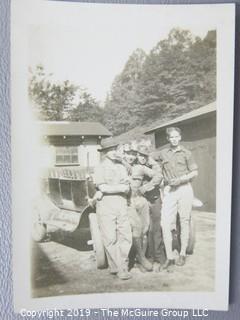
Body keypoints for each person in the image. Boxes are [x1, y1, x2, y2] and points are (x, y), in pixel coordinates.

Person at [158, 127, 198, 269]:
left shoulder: (187, 153)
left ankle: (182, 253)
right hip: (170, 190)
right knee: (165, 222)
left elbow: (194, 172)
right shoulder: (163, 153)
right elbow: (152, 164)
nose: (174, 139)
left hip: (184, 189)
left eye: (176, 137)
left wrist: (181, 180)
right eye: (171, 137)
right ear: (168, 139)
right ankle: (169, 257)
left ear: (180, 137)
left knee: (184, 220)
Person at [93, 140, 132, 280]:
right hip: (106, 205)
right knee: (110, 237)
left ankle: (122, 265)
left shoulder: (122, 167)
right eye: (111, 149)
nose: (115, 151)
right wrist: (119, 188)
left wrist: (112, 188)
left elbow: (127, 187)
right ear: (104, 153)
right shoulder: (100, 168)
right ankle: (118, 267)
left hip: (121, 204)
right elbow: (102, 187)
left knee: (125, 235)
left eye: (116, 148)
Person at [122, 144, 153, 272]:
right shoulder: (119, 166)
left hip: (140, 200)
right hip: (126, 202)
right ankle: (138, 257)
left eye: (134, 154)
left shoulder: (140, 167)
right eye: (128, 153)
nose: (131, 156)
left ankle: (141, 259)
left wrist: (147, 187)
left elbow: (157, 175)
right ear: (124, 154)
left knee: (144, 230)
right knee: (135, 228)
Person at [136, 145, 166, 271]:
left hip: (153, 199)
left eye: (144, 155)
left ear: (147, 156)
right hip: (140, 201)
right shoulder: (133, 164)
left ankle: (159, 259)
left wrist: (147, 186)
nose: (141, 158)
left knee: (156, 229)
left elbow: (159, 177)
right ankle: (145, 258)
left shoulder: (154, 165)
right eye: (139, 155)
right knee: (143, 229)